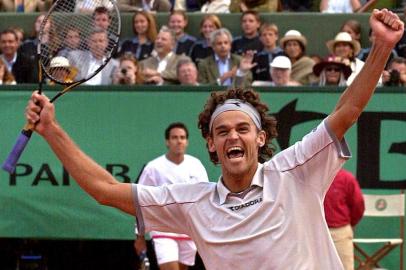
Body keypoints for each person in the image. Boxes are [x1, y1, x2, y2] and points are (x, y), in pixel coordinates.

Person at [23, 9, 404, 270]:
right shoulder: (193, 202)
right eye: (222, 131)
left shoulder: (295, 170)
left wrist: (383, 47)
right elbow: (105, 189)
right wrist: (52, 132)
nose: (232, 136)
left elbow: (347, 112)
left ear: (260, 138)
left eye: (242, 129)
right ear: (210, 144)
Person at [134, 122, 209, 270]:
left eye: (182, 137)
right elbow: (139, 201)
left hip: (188, 230)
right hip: (163, 228)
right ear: (167, 142)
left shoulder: (196, 165)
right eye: (174, 137)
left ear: (187, 141)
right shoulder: (153, 167)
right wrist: (139, 236)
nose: (179, 141)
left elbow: (204, 199)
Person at [324, 169, 365, 270]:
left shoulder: (346, 178)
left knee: (344, 267)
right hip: (313, 233)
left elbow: (358, 205)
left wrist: (346, 225)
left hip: (339, 232)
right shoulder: (311, 177)